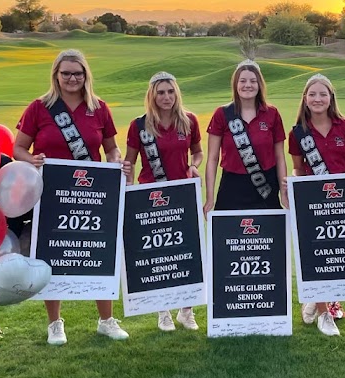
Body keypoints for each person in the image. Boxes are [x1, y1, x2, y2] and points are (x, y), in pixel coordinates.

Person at [13, 49, 132, 346]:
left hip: (93, 195)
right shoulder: (40, 107)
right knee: (52, 254)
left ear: (86, 75)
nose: (71, 78)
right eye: (65, 73)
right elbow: (18, 149)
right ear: (56, 75)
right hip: (51, 194)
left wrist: (116, 162)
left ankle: (106, 320)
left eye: (77, 73)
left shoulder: (99, 108)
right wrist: (32, 160)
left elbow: (111, 149)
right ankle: (55, 324)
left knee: (97, 253)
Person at [288, 74, 345, 337]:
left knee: (338, 257)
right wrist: (292, 188)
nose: (317, 99)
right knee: (318, 256)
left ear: (331, 98)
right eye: (312, 94)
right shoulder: (298, 133)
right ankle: (324, 313)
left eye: (323, 94)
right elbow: (299, 169)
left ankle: (317, 298)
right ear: (305, 98)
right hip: (314, 204)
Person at [124, 71, 204, 332]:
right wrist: (128, 189)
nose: (166, 97)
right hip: (151, 197)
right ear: (152, 95)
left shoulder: (189, 120)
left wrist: (194, 165)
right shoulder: (139, 125)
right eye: (161, 92)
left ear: (176, 93)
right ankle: (163, 311)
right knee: (159, 255)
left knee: (186, 253)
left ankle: (186, 310)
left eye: (170, 91)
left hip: (183, 196)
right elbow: (131, 162)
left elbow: (198, 152)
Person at [203, 60, 287, 213]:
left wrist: (284, 193)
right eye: (242, 81)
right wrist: (210, 197)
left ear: (259, 84)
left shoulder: (272, 114)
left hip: (265, 187)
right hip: (232, 186)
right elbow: (212, 158)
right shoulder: (222, 114)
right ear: (235, 84)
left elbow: (280, 156)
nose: (248, 85)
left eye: (253, 81)